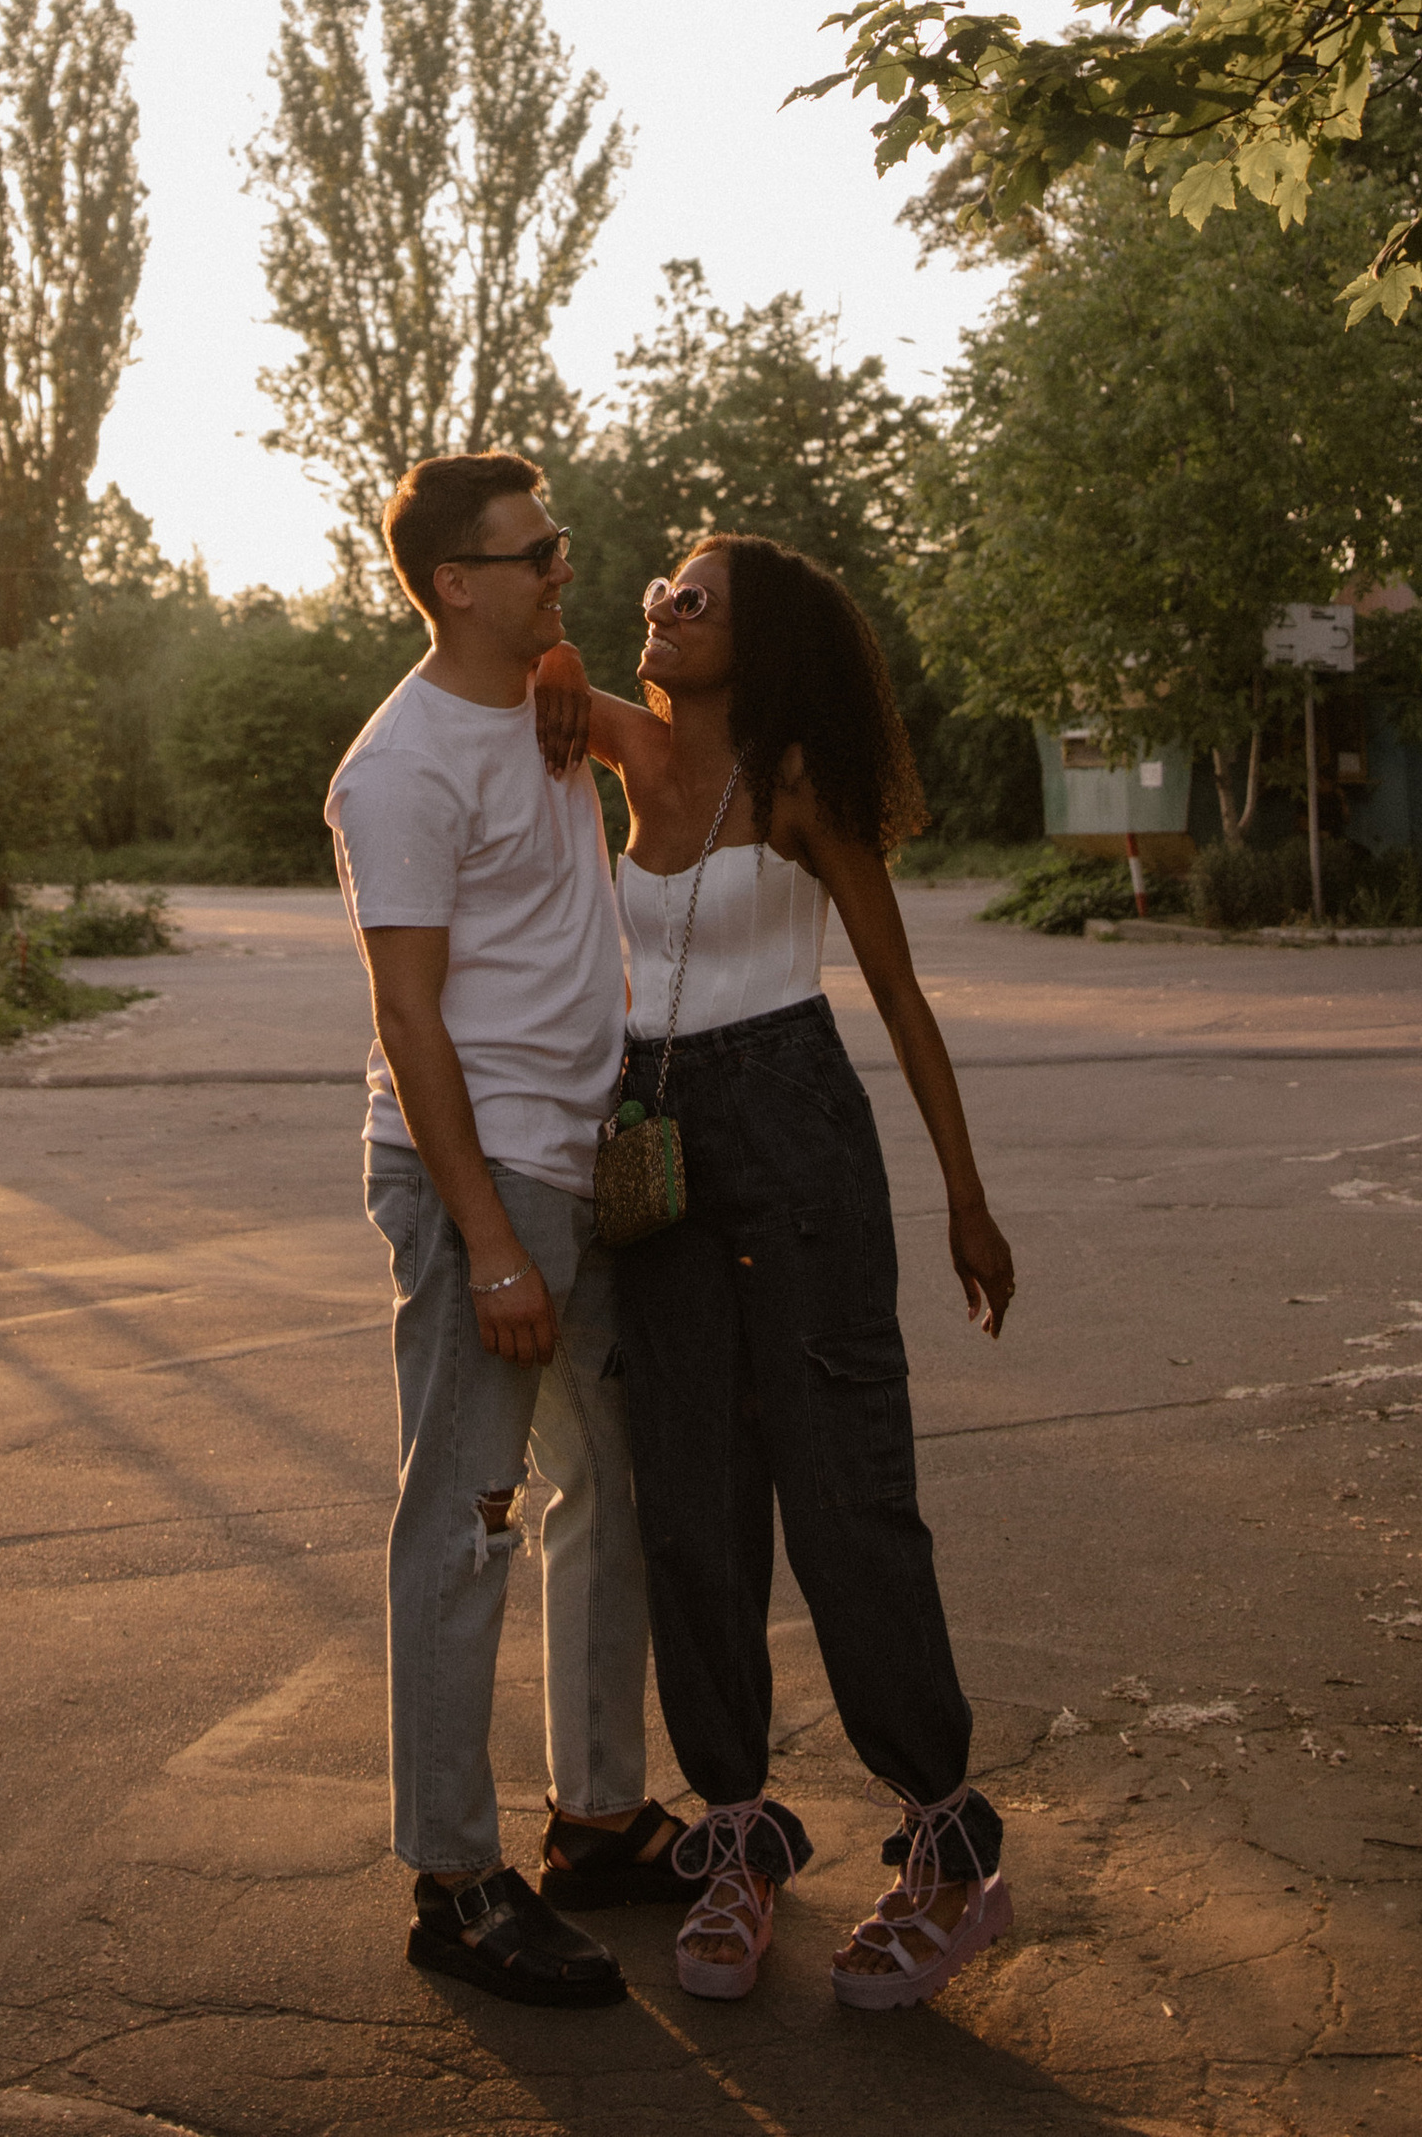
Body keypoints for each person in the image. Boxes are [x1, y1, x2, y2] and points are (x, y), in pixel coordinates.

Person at [534, 535, 1018, 2012]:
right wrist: (555, 665)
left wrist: (965, 1193)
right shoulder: (632, 745)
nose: (662, 607)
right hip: (657, 1141)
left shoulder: (798, 782)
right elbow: (544, 672)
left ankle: (945, 1849)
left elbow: (898, 992)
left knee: (840, 1481)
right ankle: (737, 1834)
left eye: (697, 599)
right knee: (689, 1494)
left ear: (763, 639)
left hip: (798, 1133)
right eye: (661, 590)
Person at [327, 452, 704, 2011]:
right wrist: (487, 1242)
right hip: (472, 1174)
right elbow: (407, 1018)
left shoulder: (542, 706)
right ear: (455, 583)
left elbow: (687, 780)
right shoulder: (402, 768)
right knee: (464, 1516)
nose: (568, 566)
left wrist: (572, 679)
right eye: (535, 553)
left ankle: (599, 1817)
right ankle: (452, 1877)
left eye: (560, 545)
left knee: (605, 1488)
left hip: (581, 1156)